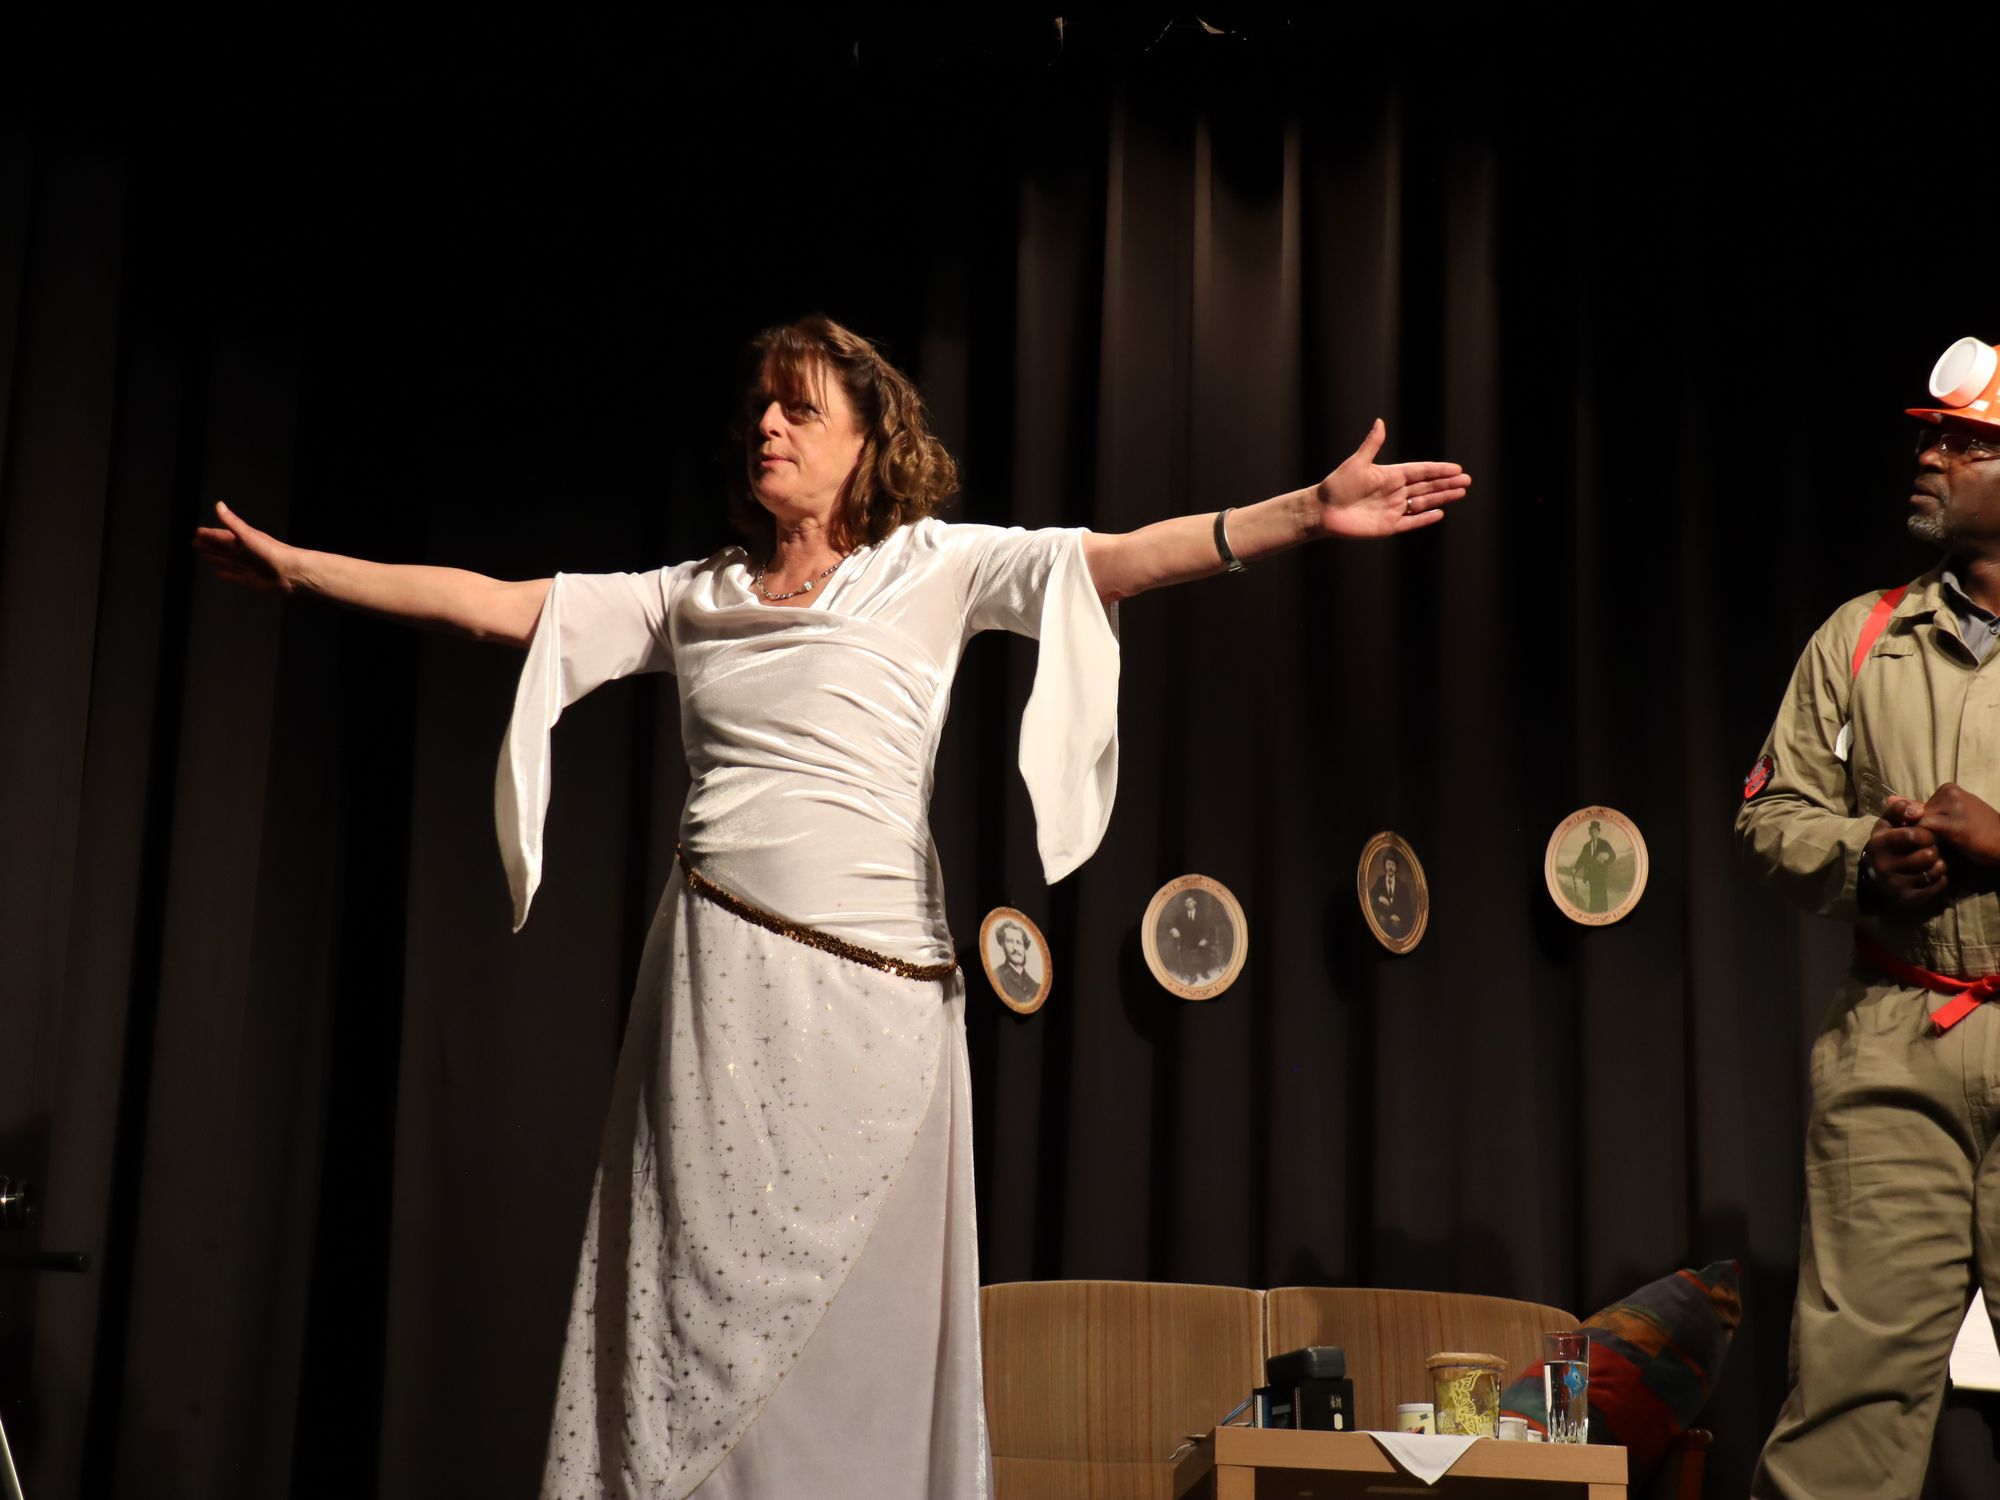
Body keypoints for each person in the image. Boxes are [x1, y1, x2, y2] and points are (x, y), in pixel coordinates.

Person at [193, 314, 1471, 1500]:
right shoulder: (694, 596)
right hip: (716, 994)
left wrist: (1305, 513)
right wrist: (304, 570)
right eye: (758, 407)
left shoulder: (933, 568)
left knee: (860, 1328)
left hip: (880, 1005)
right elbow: (504, 610)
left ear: (870, 441)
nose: (766, 425)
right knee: (693, 1303)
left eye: (799, 408)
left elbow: (1118, 562)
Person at [1738, 334, 2000, 1499]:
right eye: (1928, 438)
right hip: (1894, 1043)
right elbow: (1770, 814)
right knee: (1845, 1408)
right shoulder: (1860, 635)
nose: (1927, 457)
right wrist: (1865, 861)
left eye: (1963, 443)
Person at [990, 920, 1042, 1006]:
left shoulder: (1036, 987)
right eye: (1010, 941)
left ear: (1025, 948)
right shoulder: (996, 977)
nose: (1015, 948)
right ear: (1002, 945)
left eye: (1019, 942)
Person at [1571, 819, 1615, 913]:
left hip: (1602, 874)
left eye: (1595, 831)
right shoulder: (1586, 846)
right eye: (1591, 831)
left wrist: (1605, 861)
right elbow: (1581, 859)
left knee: (1602, 893)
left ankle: (1603, 914)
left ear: (1598, 832)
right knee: (1593, 893)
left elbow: (1613, 856)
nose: (1593, 833)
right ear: (1589, 832)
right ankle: (1593, 913)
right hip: (1592, 874)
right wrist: (1575, 868)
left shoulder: (1604, 844)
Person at [1370, 852, 1415, 936]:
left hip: (1397, 917)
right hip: (1384, 914)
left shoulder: (1402, 886)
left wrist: (1399, 917)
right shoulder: (1380, 880)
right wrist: (1380, 898)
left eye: (1393, 865)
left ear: (1396, 868)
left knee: (1396, 926)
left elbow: (1407, 906)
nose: (1390, 867)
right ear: (1385, 866)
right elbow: (1373, 894)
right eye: (1388, 864)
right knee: (1381, 920)